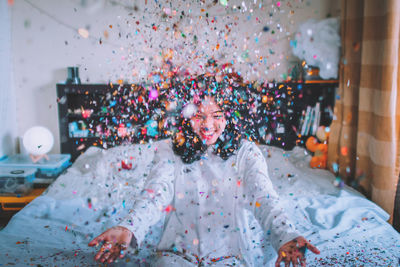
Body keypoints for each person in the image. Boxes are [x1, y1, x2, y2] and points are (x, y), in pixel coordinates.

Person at [88, 80, 320, 266]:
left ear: (228, 117)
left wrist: (286, 234)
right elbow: (154, 195)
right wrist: (129, 227)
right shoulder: (168, 150)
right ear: (185, 117)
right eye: (198, 115)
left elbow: (264, 198)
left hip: (232, 254)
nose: (207, 125)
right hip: (176, 252)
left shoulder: (247, 153)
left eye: (216, 115)